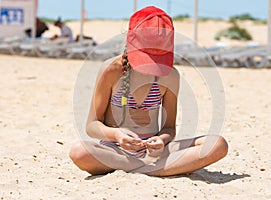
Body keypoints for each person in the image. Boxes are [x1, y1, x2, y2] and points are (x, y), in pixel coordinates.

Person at [69, 6, 228, 177]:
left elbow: (169, 128)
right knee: (79, 152)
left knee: (218, 144)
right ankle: (154, 168)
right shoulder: (111, 70)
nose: (150, 66)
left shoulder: (170, 75)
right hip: (115, 150)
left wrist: (162, 140)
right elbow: (92, 125)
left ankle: (143, 167)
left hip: (155, 152)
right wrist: (117, 135)